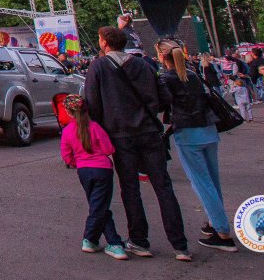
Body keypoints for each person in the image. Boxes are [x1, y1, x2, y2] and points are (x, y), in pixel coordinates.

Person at [84, 26, 189, 261]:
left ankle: (139, 240)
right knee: (163, 187)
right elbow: (165, 96)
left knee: (130, 188)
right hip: (150, 131)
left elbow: (92, 102)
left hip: (120, 134)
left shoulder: (99, 66)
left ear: (104, 43)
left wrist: (101, 129)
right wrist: (150, 112)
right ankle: (180, 245)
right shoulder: (143, 64)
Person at [155, 39, 238, 252]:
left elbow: (160, 103)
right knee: (212, 180)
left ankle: (222, 232)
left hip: (188, 132)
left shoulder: (166, 78)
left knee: (201, 183)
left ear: (162, 57)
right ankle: (214, 222)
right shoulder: (193, 75)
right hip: (208, 129)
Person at [59, 94, 128, 260]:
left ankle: (96, 240)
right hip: (102, 169)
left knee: (98, 206)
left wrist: (79, 162)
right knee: (100, 206)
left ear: (68, 112)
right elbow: (109, 148)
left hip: (84, 171)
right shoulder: (95, 127)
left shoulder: (67, 131)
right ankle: (104, 241)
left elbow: (67, 156)